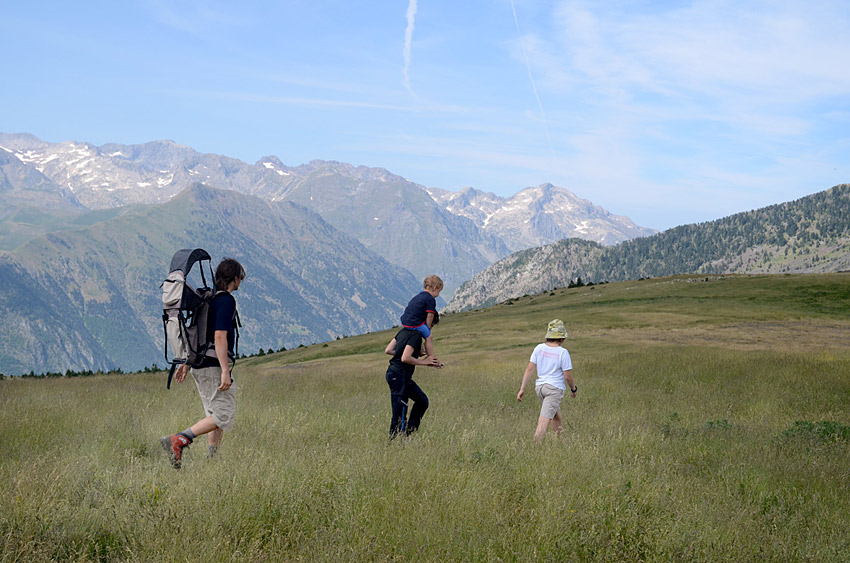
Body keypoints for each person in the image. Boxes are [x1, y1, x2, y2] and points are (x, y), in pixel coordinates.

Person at [160, 257, 246, 468]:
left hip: (200, 365)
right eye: (240, 277)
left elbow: (198, 335)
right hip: (213, 367)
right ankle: (179, 439)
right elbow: (219, 336)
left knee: (214, 415)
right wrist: (225, 370)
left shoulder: (208, 300)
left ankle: (212, 461)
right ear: (235, 278)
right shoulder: (225, 301)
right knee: (224, 414)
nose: (240, 281)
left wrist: (187, 362)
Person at [516, 319, 577, 443]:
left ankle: (559, 442)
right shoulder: (563, 352)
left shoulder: (539, 348)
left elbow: (529, 369)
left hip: (540, 388)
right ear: (561, 338)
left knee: (556, 415)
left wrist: (522, 388)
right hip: (554, 389)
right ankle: (535, 447)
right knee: (544, 420)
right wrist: (573, 389)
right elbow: (568, 376)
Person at [384, 325, 442, 440]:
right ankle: (397, 441)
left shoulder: (403, 331)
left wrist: (415, 354)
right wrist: (425, 362)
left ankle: (409, 433)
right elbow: (405, 358)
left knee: (422, 401)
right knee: (400, 411)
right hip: (400, 376)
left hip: (396, 374)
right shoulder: (416, 335)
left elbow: (388, 350)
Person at [399, 275, 443, 359]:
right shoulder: (430, 299)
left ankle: (419, 349)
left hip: (405, 322)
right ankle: (430, 357)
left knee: (418, 335)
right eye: (439, 291)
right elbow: (430, 315)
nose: (438, 294)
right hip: (415, 323)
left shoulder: (418, 296)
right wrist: (428, 327)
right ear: (434, 288)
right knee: (429, 337)